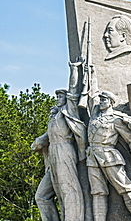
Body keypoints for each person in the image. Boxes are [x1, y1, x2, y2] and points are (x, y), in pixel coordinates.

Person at [31, 61, 86, 221]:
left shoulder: (69, 112)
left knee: (68, 190)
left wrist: (74, 69)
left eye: (60, 95)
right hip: (53, 155)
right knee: (41, 196)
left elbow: (73, 92)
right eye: (56, 96)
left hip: (65, 151)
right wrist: (39, 142)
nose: (57, 98)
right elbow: (47, 136)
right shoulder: (54, 116)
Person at [86, 90, 131, 221]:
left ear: (111, 102)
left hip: (109, 156)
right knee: (98, 192)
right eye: (100, 100)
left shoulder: (116, 119)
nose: (101, 102)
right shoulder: (95, 117)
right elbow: (90, 95)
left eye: (104, 100)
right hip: (92, 157)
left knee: (125, 188)